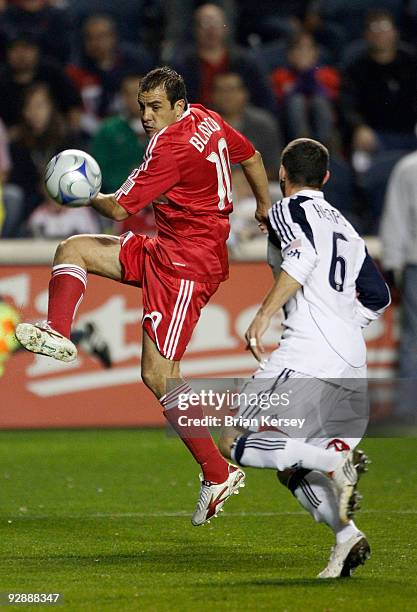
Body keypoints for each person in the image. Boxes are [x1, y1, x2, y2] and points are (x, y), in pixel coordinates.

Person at [16, 66, 272, 526]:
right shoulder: (206, 119)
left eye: (156, 108)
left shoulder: (169, 147)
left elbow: (117, 208)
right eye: (142, 107)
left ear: (178, 106)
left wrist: (82, 191)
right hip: (168, 249)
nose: (147, 117)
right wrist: (265, 205)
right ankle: (57, 329)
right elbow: (251, 155)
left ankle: (217, 472)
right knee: (73, 248)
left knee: (158, 375)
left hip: (186, 265)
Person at [219, 138, 391, 577]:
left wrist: (263, 315)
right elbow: (377, 294)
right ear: (327, 178)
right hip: (352, 359)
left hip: (308, 353)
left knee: (233, 437)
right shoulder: (346, 226)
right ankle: (345, 536)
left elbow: (305, 256)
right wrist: (344, 324)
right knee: (289, 465)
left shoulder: (288, 209)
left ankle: (334, 462)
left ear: (282, 175)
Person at [172, 3, 276, 115]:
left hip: (240, 123)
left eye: (216, 23)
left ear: (226, 27)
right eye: (204, 24)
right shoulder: (181, 66)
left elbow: (265, 101)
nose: (211, 30)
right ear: (195, 29)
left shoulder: (246, 62)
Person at [271, 31, 340, 146]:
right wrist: (299, 80)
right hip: (288, 130)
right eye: (299, 49)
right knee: (296, 101)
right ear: (290, 54)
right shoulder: (279, 76)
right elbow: (279, 102)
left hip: (325, 127)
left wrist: (308, 74)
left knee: (319, 101)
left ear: (316, 53)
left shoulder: (328, 74)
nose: (304, 54)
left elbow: (333, 100)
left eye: (308, 49)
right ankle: (303, 147)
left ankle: (323, 147)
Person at [211, 71, 283, 179]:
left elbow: (274, 167)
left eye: (232, 90)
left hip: (256, 185)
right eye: (221, 90)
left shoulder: (263, 124)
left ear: (244, 94)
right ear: (213, 96)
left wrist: (248, 179)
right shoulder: (200, 125)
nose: (227, 96)